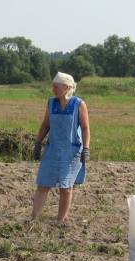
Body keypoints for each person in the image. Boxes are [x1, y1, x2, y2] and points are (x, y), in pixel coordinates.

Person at [31, 72, 90, 225]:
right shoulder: (51, 103)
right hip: (52, 149)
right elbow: (46, 124)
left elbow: (85, 128)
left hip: (71, 151)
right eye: (53, 86)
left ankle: (61, 220)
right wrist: (38, 143)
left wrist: (86, 148)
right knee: (43, 184)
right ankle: (34, 218)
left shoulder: (78, 104)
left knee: (66, 187)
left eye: (56, 86)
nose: (53, 89)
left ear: (66, 87)